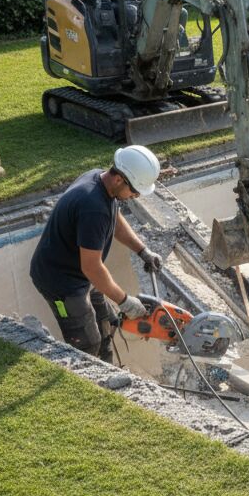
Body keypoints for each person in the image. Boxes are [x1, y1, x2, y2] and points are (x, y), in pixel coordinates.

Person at [29, 145, 164, 362]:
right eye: (135, 191)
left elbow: (115, 220)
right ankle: (89, 381)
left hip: (80, 274)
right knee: (87, 344)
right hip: (60, 283)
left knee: (107, 323)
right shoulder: (93, 208)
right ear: (120, 179)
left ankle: (110, 376)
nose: (135, 196)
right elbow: (92, 267)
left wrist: (143, 251)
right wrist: (125, 301)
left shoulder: (99, 179)